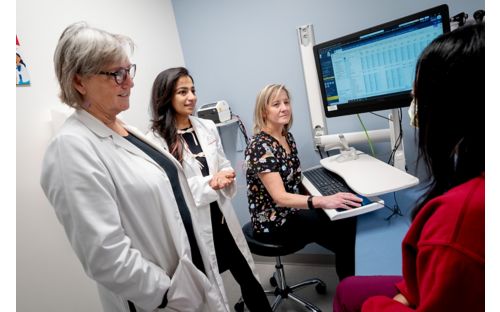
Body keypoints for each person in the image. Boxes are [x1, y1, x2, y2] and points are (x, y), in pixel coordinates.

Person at [40, 22, 231, 312]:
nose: (129, 83)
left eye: (129, 71)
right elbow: (106, 257)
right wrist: (169, 295)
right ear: (80, 82)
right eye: (117, 74)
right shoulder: (71, 148)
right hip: (164, 299)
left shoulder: (124, 129)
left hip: (193, 277)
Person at [333, 22, 485, 312]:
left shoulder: (460, 217)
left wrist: (380, 305)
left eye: (417, 96)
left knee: (350, 287)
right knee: (348, 281)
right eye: (276, 104)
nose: (413, 102)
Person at [147, 67, 272, 312]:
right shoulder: (155, 140)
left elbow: (222, 163)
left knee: (248, 276)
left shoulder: (206, 126)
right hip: (193, 225)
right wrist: (210, 183)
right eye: (182, 92)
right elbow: (170, 190)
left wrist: (226, 175)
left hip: (222, 218)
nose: (191, 97)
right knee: (210, 288)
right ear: (166, 97)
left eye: (192, 90)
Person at [245, 83, 363, 280]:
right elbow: (280, 198)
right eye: (276, 104)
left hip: (291, 212)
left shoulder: (286, 136)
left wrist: (326, 190)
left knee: (344, 220)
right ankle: (350, 291)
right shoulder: (259, 146)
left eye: (286, 102)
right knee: (344, 232)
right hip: (274, 223)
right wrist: (323, 201)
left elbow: (294, 179)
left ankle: (352, 274)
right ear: (263, 111)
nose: (284, 108)